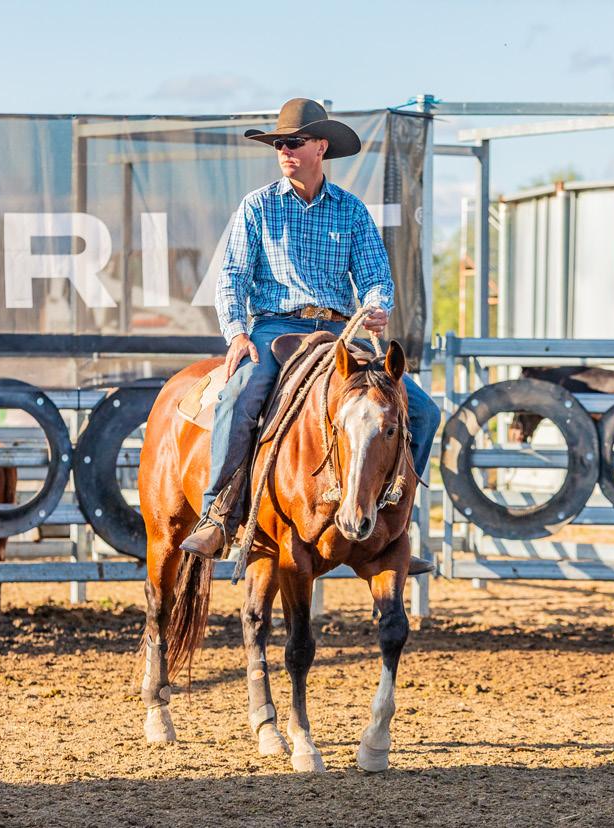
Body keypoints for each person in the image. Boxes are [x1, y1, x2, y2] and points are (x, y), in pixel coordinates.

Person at [179, 98, 442, 560]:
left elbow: (376, 276)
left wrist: (377, 306)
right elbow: (232, 277)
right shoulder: (258, 206)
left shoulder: (350, 210)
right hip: (275, 330)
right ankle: (218, 513)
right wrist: (237, 333)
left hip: (340, 333)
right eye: (279, 144)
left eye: (294, 142)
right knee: (240, 396)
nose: (284, 151)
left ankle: (392, 519)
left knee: (422, 411)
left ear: (321, 147)